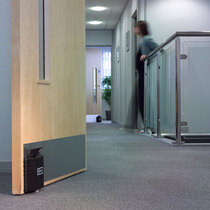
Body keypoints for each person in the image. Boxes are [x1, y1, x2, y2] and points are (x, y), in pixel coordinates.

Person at [134, 21, 158, 122]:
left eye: (135, 27)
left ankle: (149, 124)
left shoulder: (146, 39)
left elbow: (159, 49)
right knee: (141, 99)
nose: (134, 29)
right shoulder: (143, 40)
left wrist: (147, 56)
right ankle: (147, 124)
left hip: (146, 74)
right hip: (142, 74)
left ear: (140, 28)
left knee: (144, 99)